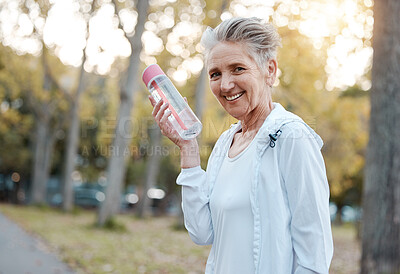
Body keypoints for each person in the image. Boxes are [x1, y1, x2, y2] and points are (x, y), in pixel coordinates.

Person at [149, 17, 333, 274]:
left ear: (270, 70)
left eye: (238, 69)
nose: (225, 85)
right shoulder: (224, 144)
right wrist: (187, 148)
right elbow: (202, 232)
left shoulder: (292, 138)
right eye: (216, 74)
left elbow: (314, 254)